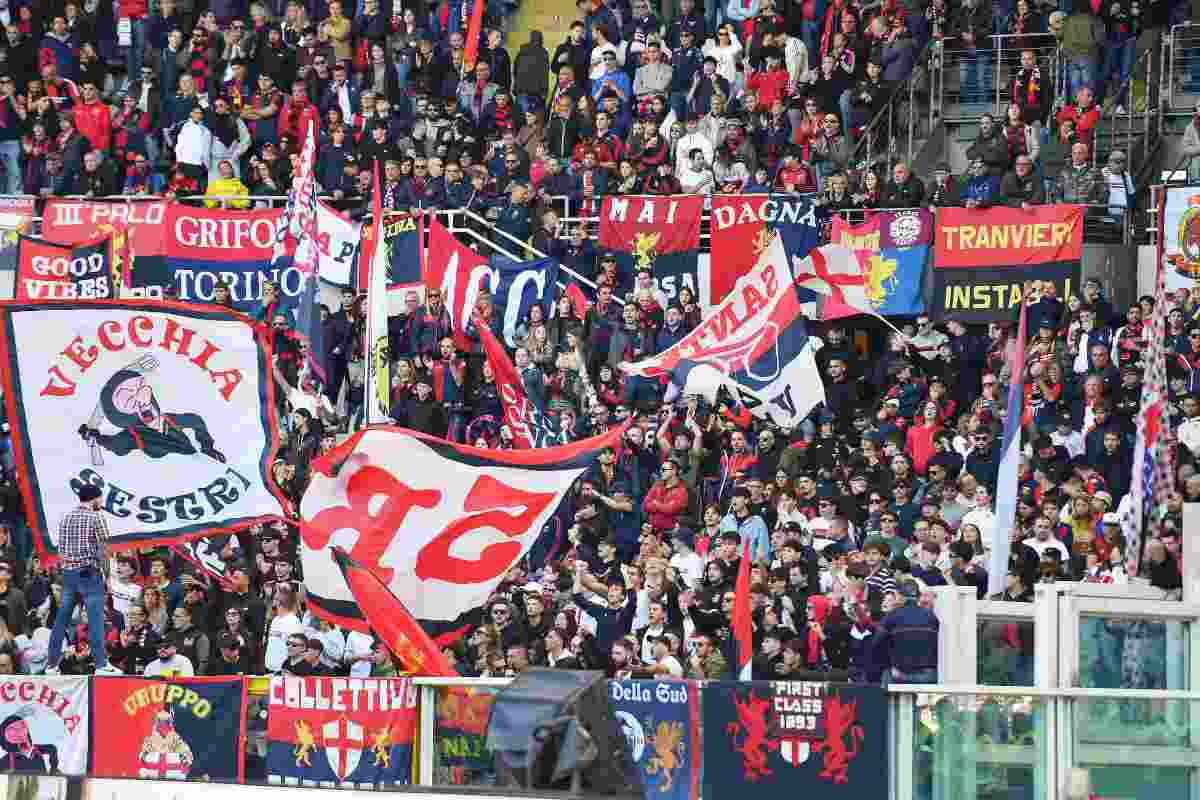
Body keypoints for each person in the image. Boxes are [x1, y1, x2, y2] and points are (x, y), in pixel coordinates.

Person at [45, 485, 121, 675]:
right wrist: (107, 577)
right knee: (95, 620)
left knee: (60, 620)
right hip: (89, 574)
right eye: (100, 499)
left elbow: (60, 550)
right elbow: (104, 551)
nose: (101, 502)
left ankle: (51, 665)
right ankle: (102, 665)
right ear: (95, 498)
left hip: (69, 575)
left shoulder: (66, 517)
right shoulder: (97, 517)